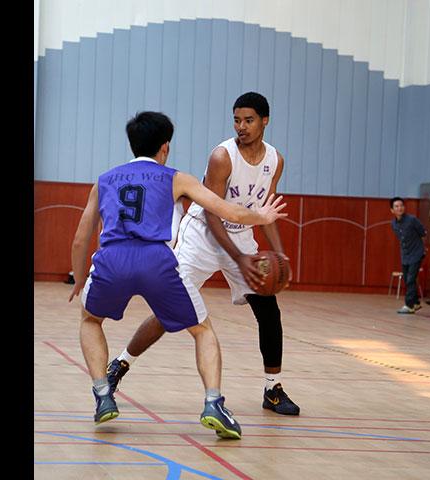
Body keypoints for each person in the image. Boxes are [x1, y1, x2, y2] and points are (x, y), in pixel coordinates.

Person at [67, 111, 288, 439]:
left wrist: (80, 277)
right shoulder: (176, 178)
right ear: (165, 147)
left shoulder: (105, 179)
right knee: (202, 330)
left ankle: (102, 395)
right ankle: (213, 403)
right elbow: (224, 209)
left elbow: (81, 235)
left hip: (112, 260)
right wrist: (260, 215)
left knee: (90, 319)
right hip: (157, 261)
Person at [106, 92, 303, 417]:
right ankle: (120, 364)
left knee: (269, 310)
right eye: (237, 120)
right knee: (169, 310)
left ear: (265, 121)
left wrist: (281, 257)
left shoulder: (275, 160)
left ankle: (273, 388)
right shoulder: (222, 156)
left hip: (241, 234)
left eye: (249, 120)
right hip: (203, 234)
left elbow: (266, 211)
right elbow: (212, 214)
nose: (241, 126)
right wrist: (238, 259)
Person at [390, 197, 427, 314]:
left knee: (411, 279)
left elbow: (423, 232)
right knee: (407, 279)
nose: (399, 208)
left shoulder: (412, 220)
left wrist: (422, 249)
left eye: (401, 205)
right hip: (405, 254)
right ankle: (415, 302)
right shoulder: (393, 224)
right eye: (396, 206)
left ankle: (409, 305)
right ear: (392, 210)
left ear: (404, 207)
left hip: (416, 253)